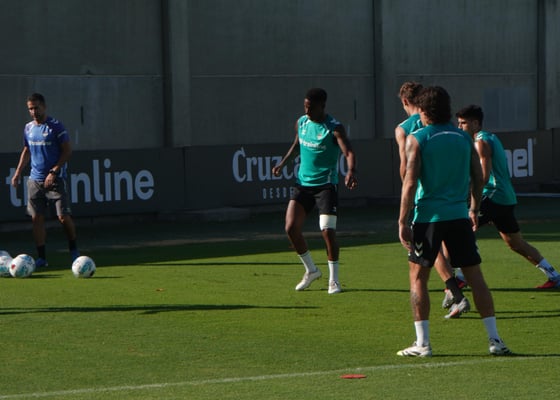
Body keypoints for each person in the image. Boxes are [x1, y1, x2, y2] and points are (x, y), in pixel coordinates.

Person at [397, 86, 511, 357]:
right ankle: (495, 340)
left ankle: (422, 343)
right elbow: (478, 178)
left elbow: (409, 183)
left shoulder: (417, 138)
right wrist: (474, 208)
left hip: (428, 218)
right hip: (459, 216)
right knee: (476, 277)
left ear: (423, 111)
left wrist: (402, 221)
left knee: (418, 278)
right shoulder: (463, 138)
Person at [456, 105, 560, 289]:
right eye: (459, 123)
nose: (459, 127)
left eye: (463, 123)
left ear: (475, 123)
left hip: (494, 195)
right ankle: (554, 275)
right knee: (515, 243)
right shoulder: (490, 137)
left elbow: (483, 178)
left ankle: (460, 276)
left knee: (461, 229)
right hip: (506, 197)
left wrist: (471, 201)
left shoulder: (481, 142)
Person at [272, 88, 357, 294]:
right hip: (303, 184)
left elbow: (348, 152)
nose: (307, 110)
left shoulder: (334, 128)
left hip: (325, 186)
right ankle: (311, 270)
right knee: (291, 227)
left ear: (322, 106)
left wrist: (351, 171)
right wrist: (283, 163)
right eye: (305, 106)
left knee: (327, 231)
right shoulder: (302, 122)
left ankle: (334, 280)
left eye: (311, 107)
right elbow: (297, 145)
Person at [395, 82, 468, 318]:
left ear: (405, 101)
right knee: (446, 245)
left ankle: (454, 291)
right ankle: (453, 291)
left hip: (424, 196)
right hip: (453, 197)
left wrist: (406, 200)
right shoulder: (445, 125)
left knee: (429, 250)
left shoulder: (404, 129)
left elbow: (405, 168)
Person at [11, 93, 80, 268]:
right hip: (35, 180)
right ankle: (42, 258)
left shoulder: (56, 127)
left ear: (44, 107)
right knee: (37, 219)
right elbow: (27, 150)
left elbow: (67, 151)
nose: (33, 112)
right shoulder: (28, 128)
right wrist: (18, 172)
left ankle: (74, 249)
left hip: (55, 179)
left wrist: (54, 171)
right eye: (30, 109)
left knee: (63, 217)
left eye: (36, 108)